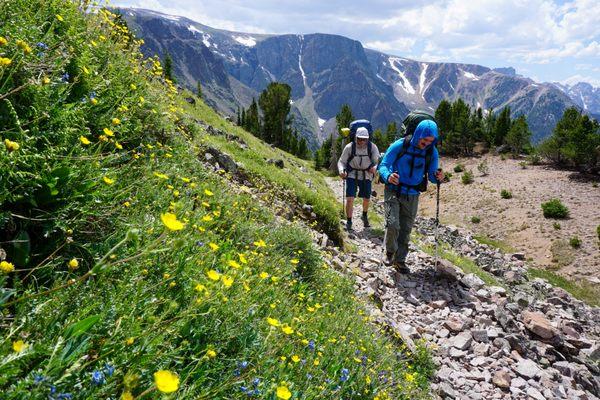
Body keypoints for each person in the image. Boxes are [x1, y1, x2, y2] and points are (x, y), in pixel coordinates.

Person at [377, 120, 444, 273]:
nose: (426, 143)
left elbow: (432, 176)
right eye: (424, 140)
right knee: (393, 224)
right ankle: (390, 251)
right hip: (393, 189)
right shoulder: (400, 145)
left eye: (430, 141)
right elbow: (384, 165)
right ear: (418, 134)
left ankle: (400, 261)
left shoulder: (431, 151)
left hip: (413, 194)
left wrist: (439, 177)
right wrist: (388, 176)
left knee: (406, 229)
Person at [337, 127, 380, 231]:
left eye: (364, 139)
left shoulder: (372, 147)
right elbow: (341, 161)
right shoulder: (349, 147)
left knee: (366, 198)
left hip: (367, 175)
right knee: (350, 198)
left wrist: (375, 168)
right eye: (359, 138)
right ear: (356, 137)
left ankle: (364, 215)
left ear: (368, 139)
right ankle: (349, 221)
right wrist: (341, 170)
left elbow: (377, 162)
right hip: (352, 174)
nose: (361, 141)